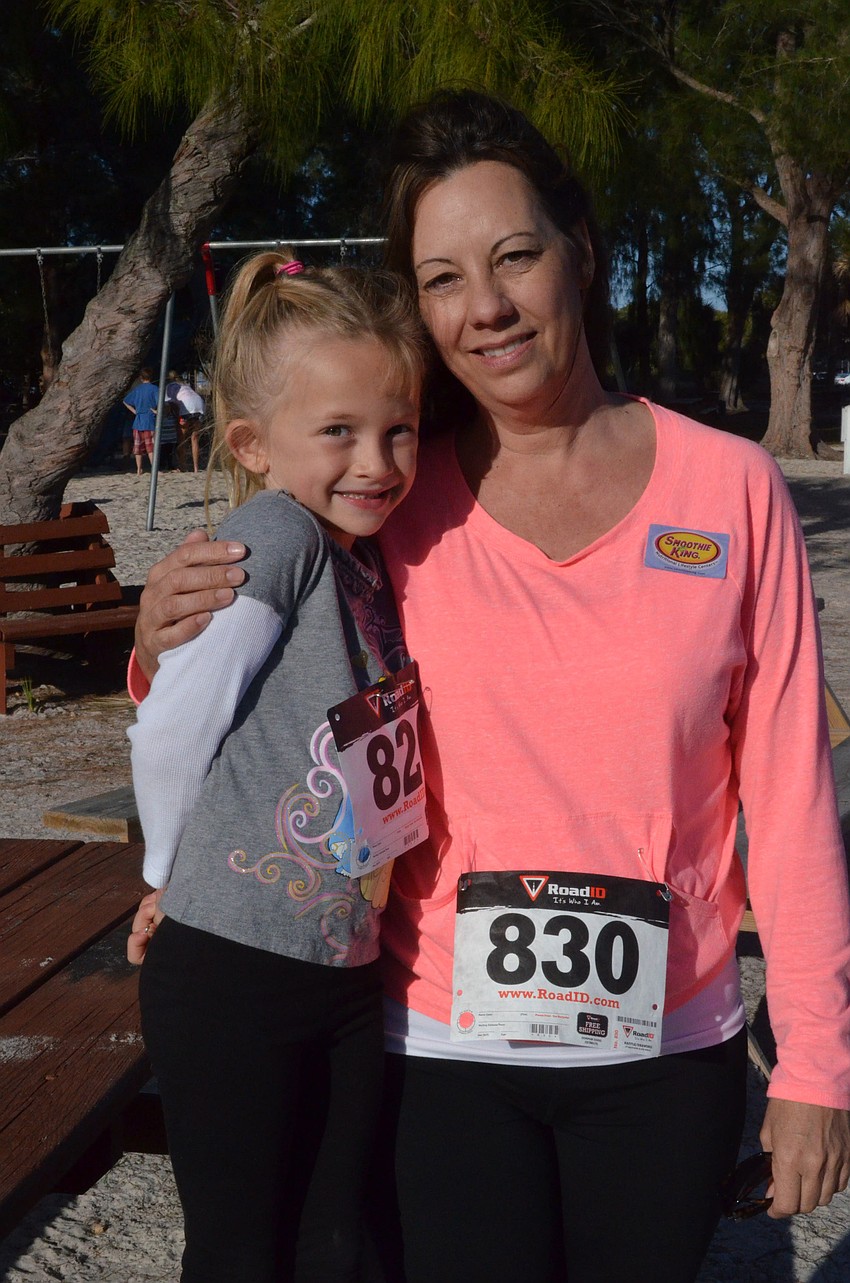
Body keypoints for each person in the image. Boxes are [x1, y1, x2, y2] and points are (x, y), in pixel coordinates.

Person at [127, 90, 850, 1283]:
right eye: (443, 277)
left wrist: (818, 1064)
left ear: (579, 250)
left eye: (515, 255)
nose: (488, 307)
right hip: (433, 1054)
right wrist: (161, 638)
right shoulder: (379, 498)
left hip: (665, 1052)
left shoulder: (730, 492)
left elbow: (788, 798)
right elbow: (246, 676)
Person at [127, 251, 425, 1283]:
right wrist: (164, 873)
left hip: (339, 964)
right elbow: (174, 720)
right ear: (252, 445)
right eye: (337, 430)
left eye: (398, 429)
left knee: (333, 1236)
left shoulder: (362, 551)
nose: (376, 459)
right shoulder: (278, 533)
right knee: (242, 1247)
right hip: (231, 965)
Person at [123, 367, 159, 475]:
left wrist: (134, 411)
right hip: (149, 420)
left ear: (141, 378)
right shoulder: (155, 389)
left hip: (138, 420)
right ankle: (154, 469)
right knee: (150, 446)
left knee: (137, 447)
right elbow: (161, 402)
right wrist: (156, 411)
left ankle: (139, 469)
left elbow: (125, 401)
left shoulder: (137, 389)